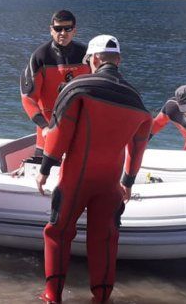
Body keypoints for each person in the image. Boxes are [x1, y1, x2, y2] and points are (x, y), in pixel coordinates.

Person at [35, 35, 152, 303]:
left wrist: (45, 167)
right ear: (118, 60)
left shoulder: (79, 86)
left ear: (94, 59)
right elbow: (138, 147)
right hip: (110, 183)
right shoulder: (136, 99)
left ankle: (52, 296)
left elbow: (59, 133)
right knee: (105, 239)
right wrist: (129, 181)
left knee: (57, 232)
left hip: (77, 178)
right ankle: (101, 298)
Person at [21, 10, 90, 160]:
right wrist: (44, 127)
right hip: (48, 134)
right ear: (51, 30)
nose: (63, 33)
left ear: (74, 30)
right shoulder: (40, 57)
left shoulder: (87, 55)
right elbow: (28, 98)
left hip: (80, 133)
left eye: (68, 29)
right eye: (58, 28)